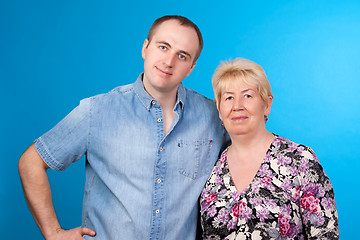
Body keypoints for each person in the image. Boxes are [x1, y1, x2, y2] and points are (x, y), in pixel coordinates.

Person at [18, 15, 228, 239]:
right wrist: (53, 232)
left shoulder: (214, 116)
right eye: (163, 47)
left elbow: (253, 160)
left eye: (182, 56)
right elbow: (31, 162)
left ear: (191, 67)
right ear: (145, 48)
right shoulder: (97, 111)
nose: (169, 61)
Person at [200, 58, 339, 239]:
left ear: (267, 104)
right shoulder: (211, 166)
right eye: (228, 98)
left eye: (247, 96)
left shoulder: (300, 160)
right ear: (219, 109)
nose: (237, 106)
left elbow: (324, 234)